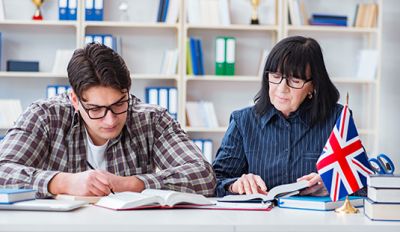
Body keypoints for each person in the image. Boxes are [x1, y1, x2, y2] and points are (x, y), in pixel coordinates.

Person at [0, 43, 216, 198]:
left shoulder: (152, 119)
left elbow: (204, 175)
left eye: (119, 104)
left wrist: (133, 183)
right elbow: (2, 171)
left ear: (127, 92)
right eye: (95, 109)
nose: (110, 119)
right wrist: (63, 182)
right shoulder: (45, 116)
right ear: (75, 99)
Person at [213, 36, 342, 197]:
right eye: (275, 76)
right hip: (259, 220)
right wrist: (235, 185)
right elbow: (215, 181)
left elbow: (363, 181)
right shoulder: (243, 122)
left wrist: (331, 184)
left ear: (313, 85)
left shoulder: (337, 120)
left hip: (317, 220)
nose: (282, 88)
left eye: (295, 80)